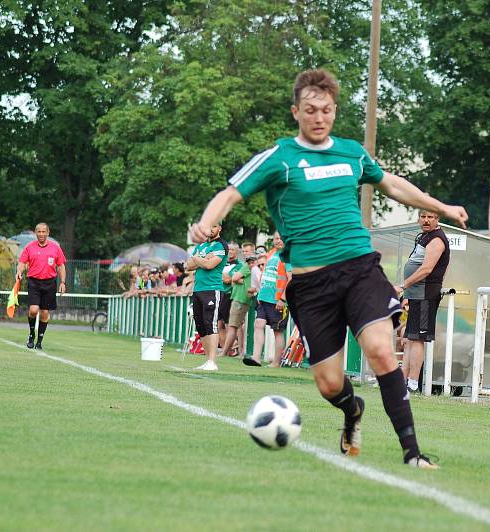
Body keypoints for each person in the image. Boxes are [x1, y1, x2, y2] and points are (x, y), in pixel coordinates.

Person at [190, 68, 468, 468]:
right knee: (329, 384)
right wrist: (205, 221)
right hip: (311, 285)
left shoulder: (352, 152)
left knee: (379, 350)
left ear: (335, 111)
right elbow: (230, 194)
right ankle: (352, 410)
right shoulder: (280, 158)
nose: (319, 117)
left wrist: (439, 206)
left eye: (326, 110)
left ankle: (412, 453)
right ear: (296, 112)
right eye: (310, 110)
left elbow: (392, 182)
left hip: (359, 269)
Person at [399, 210, 450, 393]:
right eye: (423, 216)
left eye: (430, 217)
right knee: (409, 338)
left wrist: (403, 286)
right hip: (415, 294)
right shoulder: (424, 237)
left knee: (418, 338)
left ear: (437, 219)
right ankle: (403, 380)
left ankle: (413, 382)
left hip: (425, 294)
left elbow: (426, 269)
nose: (426, 220)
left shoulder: (436, 239)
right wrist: (407, 294)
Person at [15, 223, 66, 349]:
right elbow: (22, 263)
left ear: (48, 232)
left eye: (44, 232)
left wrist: (63, 282)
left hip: (49, 283)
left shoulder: (55, 248)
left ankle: (39, 341)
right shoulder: (29, 247)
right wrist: (19, 272)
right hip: (34, 282)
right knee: (33, 310)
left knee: (44, 313)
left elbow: (61, 266)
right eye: (39, 232)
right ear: (35, 233)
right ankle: (32, 335)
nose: (41, 234)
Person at [186, 223, 227, 371]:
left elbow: (210, 265)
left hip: (212, 289)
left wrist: (198, 259)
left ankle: (212, 361)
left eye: (214, 226)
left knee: (211, 323)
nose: (211, 229)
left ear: (219, 228)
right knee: (201, 325)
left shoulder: (221, 246)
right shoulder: (201, 246)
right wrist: (201, 259)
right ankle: (207, 360)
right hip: (198, 289)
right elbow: (188, 265)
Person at [246, 232, 289, 368]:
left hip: (277, 300)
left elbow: (291, 279)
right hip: (263, 298)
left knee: (277, 331)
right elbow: (264, 275)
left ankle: (276, 363)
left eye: (281, 238)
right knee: (258, 324)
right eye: (276, 238)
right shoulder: (271, 253)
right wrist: (259, 293)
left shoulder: (288, 255)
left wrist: (283, 299)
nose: (278, 240)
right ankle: (256, 358)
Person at [221, 253, 256, 359]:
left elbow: (235, 278)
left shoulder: (246, 268)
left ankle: (224, 353)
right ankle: (238, 351)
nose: (250, 263)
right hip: (242, 298)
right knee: (237, 326)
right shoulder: (252, 269)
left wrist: (235, 279)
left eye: (251, 261)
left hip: (240, 299)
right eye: (249, 261)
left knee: (232, 327)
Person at [219, 243, 243, 351]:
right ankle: (224, 348)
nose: (230, 251)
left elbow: (229, 280)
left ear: (237, 252)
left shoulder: (239, 265)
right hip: (218, 293)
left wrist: (221, 275)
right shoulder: (221, 262)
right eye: (229, 249)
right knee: (219, 324)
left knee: (228, 323)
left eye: (233, 249)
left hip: (229, 295)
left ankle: (229, 349)